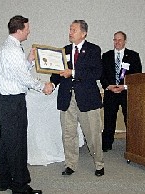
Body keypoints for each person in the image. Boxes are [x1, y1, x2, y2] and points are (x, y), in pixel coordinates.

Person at [0, 15, 51, 194]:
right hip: (12, 102)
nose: (29, 31)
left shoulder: (11, 47)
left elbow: (16, 74)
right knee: (16, 143)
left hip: (7, 101)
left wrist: (29, 60)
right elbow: (23, 79)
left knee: (7, 141)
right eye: (27, 28)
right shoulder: (11, 49)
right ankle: (20, 186)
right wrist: (43, 87)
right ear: (19, 30)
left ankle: (4, 179)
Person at [48, 20, 104, 176]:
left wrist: (73, 73)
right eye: (70, 29)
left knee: (93, 134)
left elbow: (96, 73)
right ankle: (70, 164)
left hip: (87, 98)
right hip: (67, 97)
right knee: (68, 133)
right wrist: (52, 84)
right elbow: (56, 73)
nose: (70, 32)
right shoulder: (64, 50)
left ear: (83, 33)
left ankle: (99, 163)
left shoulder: (93, 49)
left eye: (73, 30)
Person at [100, 31, 142, 152]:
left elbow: (137, 75)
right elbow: (102, 74)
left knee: (130, 119)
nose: (117, 42)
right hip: (110, 93)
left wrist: (125, 86)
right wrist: (108, 86)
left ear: (125, 41)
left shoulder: (133, 56)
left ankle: (134, 145)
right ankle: (106, 144)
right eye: (115, 40)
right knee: (109, 120)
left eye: (119, 40)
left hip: (127, 93)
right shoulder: (106, 56)